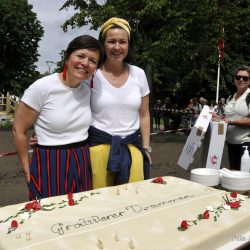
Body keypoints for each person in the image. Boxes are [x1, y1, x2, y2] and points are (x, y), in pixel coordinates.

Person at [13, 35, 104, 200]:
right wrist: (28, 172)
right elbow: (18, 130)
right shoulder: (42, 87)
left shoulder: (87, 90)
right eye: (81, 56)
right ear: (67, 58)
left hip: (82, 159)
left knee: (81, 213)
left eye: (93, 61)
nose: (85, 63)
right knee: (48, 217)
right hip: (50, 161)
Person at [88, 17, 151, 189]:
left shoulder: (138, 74)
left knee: (133, 202)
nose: (117, 47)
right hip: (98, 150)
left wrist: (146, 148)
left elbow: (144, 114)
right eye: (111, 41)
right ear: (103, 44)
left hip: (132, 150)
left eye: (122, 42)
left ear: (128, 45)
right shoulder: (91, 75)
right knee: (99, 204)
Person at [223, 65, 250, 170]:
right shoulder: (230, 97)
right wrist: (217, 117)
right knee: (234, 175)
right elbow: (227, 118)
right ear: (234, 79)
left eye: (245, 78)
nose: (241, 80)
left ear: (249, 81)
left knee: (245, 179)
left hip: (246, 143)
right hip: (231, 143)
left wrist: (232, 122)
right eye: (238, 77)